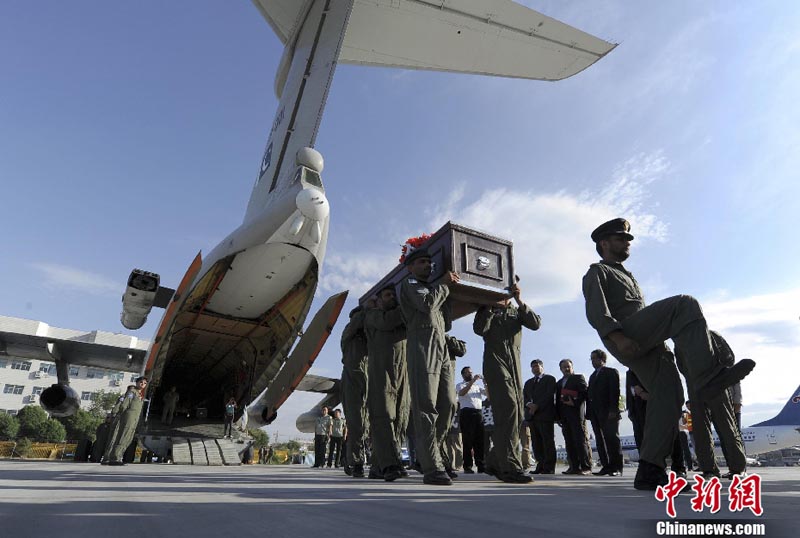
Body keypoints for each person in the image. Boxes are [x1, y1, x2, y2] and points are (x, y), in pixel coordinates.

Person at [582, 218, 756, 489]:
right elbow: (596, 309)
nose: (627, 242)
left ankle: (651, 470)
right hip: (627, 333)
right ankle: (709, 377)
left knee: (670, 395)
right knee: (685, 305)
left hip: (648, 342)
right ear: (603, 244)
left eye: (628, 239)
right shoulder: (598, 272)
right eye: (621, 239)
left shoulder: (628, 275)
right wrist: (617, 336)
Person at [398, 247, 459, 486]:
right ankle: (431, 466)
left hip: (441, 346)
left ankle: (432, 454)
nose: (428, 265)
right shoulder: (409, 283)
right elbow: (426, 305)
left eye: (429, 262)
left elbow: (447, 323)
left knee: (448, 404)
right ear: (411, 266)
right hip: (422, 347)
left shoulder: (434, 286)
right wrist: (443, 284)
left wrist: (450, 290)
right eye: (422, 262)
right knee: (426, 407)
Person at [473, 281, 541, 484]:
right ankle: (510, 467)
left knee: (515, 414)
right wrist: (490, 307)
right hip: (495, 365)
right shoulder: (486, 309)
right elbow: (479, 329)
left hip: (515, 366)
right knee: (509, 408)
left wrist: (519, 300)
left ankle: (494, 460)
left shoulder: (515, 310)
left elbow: (535, 324)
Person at [364, 284, 410, 482]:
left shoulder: (403, 318)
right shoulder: (374, 316)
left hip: (402, 373)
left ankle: (379, 465)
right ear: (379, 300)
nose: (391, 297)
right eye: (387, 295)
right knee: (384, 417)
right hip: (381, 374)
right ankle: (388, 465)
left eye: (394, 295)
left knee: (400, 418)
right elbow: (387, 322)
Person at [340, 306, 370, 478]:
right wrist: (366, 311)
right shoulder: (348, 332)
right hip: (351, 379)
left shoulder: (368, 337)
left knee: (365, 425)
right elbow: (356, 322)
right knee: (356, 422)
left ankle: (351, 457)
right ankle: (356, 462)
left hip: (367, 380)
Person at [587, 349, 623, 476]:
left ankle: (617, 467)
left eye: (594, 358)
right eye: (591, 359)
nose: (592, 361)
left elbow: (615, 392)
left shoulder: (611, 372)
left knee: (612, 439)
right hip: (595, 414)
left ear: (602, 359)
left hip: (609, 412)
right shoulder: (592, 376)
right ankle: (606, 466)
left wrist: (614, 409)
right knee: (600, 440)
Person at [555, 359, 591, 475]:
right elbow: (557, 401)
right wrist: (558, 417)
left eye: (568, 366)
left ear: (572, 367)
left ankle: (586, 467)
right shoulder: (559, 383)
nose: (566, 369)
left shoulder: (578, 378)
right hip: (564, 417)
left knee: (580, 441)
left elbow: (585, 393)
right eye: (564, 367)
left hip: (576, 414)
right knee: (569, 442)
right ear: (560, 369)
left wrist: (574, 402)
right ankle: (574, 467)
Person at [523, 359, 557, 474]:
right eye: (533, 367)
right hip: (532, 417)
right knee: (536, 443)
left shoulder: (550, 379)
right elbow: (524, 397)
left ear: (542, 367)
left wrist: (537, 406)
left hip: (545, 415)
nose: (535, 368)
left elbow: (549, 395)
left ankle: (549, 467)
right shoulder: (528, 383)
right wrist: (529, 405)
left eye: (537, 366)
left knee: (547, 441)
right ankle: (540, 465)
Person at [104, 377, 148, 465]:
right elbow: (124, 404)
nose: (143, 384)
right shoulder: (132, 392)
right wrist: (119, 415)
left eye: (145, 383)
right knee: (123, 436)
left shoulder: (139, 395)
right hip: (128, 417)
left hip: (134, 419)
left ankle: (118, 457)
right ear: (137, 383)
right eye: (141, 382)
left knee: (128, 438)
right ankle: (114, 458)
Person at [455, 366, 486, 474]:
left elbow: (488, 395)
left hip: (478, 413)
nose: (471, 374)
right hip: (467, 413)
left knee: (480, 441)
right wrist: (472, 381)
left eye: (471, 372)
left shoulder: (477, 387)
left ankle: (481, 464)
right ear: (463, 374)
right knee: (467, 440)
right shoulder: (460, 385)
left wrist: (486, 382)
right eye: (468, 373)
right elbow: (462, 393)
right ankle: (467, 466)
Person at [444, 405, 463, 471]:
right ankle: (451, 465)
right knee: (449, 447)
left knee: (457, 447)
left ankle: (459, 465)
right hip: (448, 428)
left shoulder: (459, 404)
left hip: (457, 428)